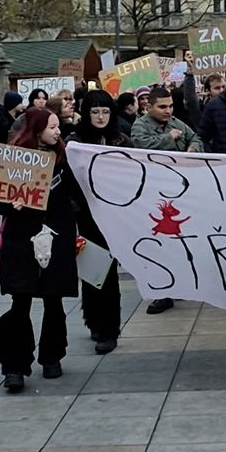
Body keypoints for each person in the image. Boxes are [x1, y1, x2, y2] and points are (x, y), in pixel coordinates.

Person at [0, 108, 95, 392]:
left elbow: (80, 194)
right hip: (21, 238)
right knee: (20, 301)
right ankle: (15, 366)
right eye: (52, 127)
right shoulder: (13, 159)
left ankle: (52, 357)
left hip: (56, 236)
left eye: (58, 126)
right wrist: (11, 205)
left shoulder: (63, 159)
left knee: (53, 299)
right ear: (36, 130)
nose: (57, 131)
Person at [68, 90, 130, 354]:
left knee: (110, 273)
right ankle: (95, 320)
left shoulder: (121, 139)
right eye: (95, 112)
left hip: (115, 214)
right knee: (94, 268)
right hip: (86, 213)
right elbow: (68, 178)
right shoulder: (76, 141)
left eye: (105, 111)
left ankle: (109, 327)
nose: (101, 117)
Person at [132, 87, 203, 314]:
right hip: (153, 193)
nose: (168, 110)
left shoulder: (176, 123)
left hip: (178, 190)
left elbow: (196, 137)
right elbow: (143, 148)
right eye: (162, 107)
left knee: (180, 241)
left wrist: (193, 148)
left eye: (170, 106)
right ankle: (161, 293)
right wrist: (167, 139)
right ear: (148, 106)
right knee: (158, 244)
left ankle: (180, 284)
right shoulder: (140, 126)